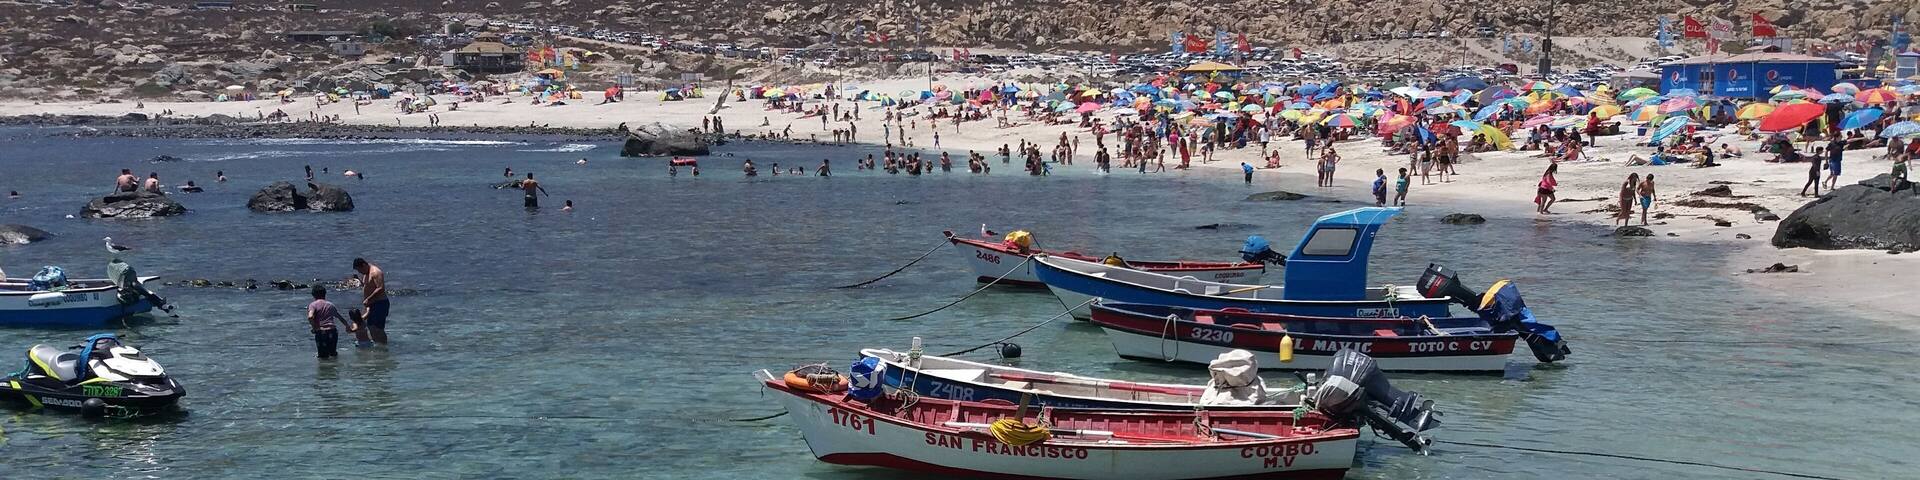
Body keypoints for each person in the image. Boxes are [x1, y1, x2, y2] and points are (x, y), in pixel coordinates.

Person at [306, 285, 357, 359]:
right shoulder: (330, 305)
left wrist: (314, 327)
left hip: (321, 331)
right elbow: (341, 318)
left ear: (313, 295)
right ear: (325, 294)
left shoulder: (313, 305)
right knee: (333, 354)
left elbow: (310, 317)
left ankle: (325, 369)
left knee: (322, 357)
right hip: (332, 331)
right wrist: (347, 327)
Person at [351, 258, 389, 346]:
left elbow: (380, 288)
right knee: (371, 327)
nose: (360, 272)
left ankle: (383, 346)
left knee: (376, 328)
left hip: (380, 303)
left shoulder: (375, 272)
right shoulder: (366, 273)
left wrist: (368, 299)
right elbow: (368, 285)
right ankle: (378, 345)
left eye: (359, 269)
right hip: (371, 304)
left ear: (364, 265)